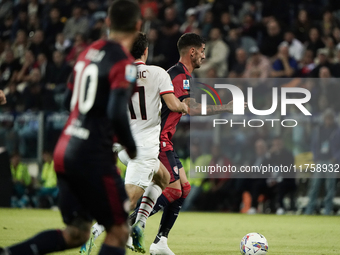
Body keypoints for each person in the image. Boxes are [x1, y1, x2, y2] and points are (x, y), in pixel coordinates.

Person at [0, 1, 141, 255]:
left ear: (108, 23)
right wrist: (131, 147)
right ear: (138, 26)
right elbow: (117, 112)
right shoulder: (124, 63)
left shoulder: (88, 52)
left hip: (65, 150)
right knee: (119, 230)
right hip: (92, 156)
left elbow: (67, 101)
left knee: (77, 232)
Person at [130, 33, 244, 255]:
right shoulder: (177, 75)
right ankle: (130, 223)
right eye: (202, 50)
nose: (204, 55)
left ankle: (160, 242)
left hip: (165, 140)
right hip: (158, 140)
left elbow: (187, 105)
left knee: (184, 188)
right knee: (174, 191)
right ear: (192, 51)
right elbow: (184, 107)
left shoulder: (182, 76)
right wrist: (225, 107)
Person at [81, 32, 188, 254]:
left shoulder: (117, 74)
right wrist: (185, 106)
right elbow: (173, 104)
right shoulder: (158, 73)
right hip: (143, 147)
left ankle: (138, 226)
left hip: (121, 144)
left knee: (164, 177)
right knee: (129, 200)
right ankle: (95, 229)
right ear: (146, 51)